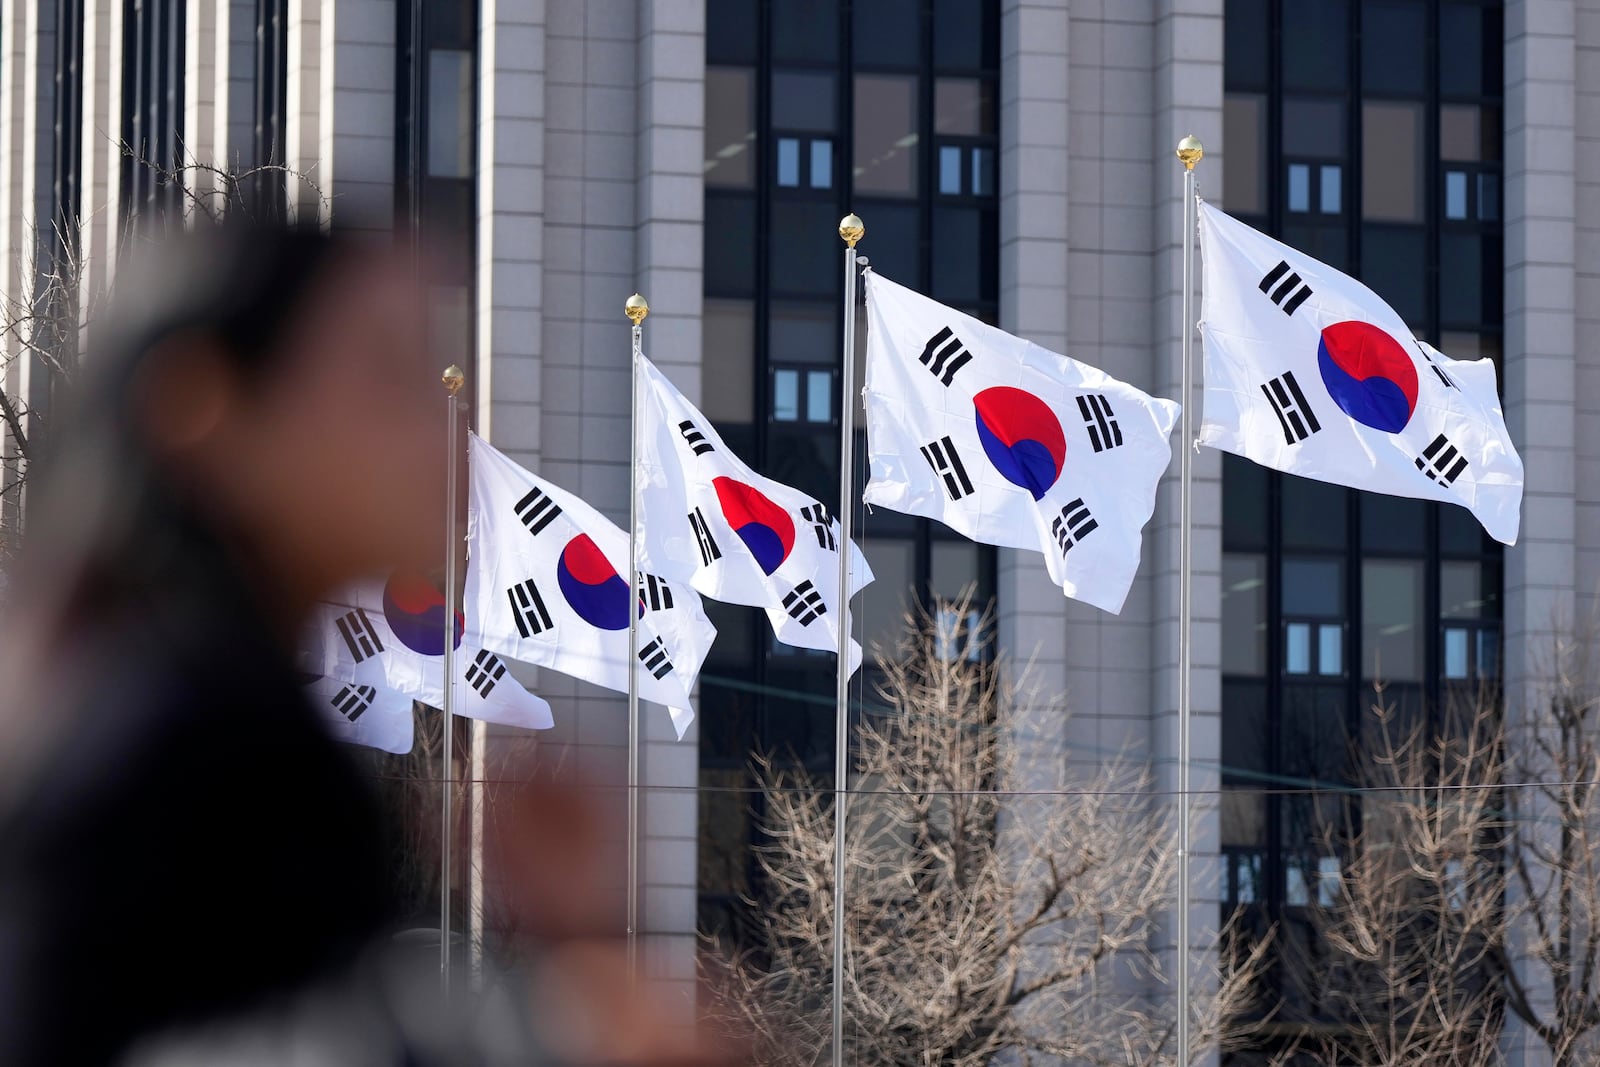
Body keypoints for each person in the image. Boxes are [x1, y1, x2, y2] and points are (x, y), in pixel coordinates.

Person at [0, 224, 451, 1064]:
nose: (443, 433)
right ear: (204, 409)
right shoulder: (221, 748)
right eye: (390, 377)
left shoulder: (113, 684)